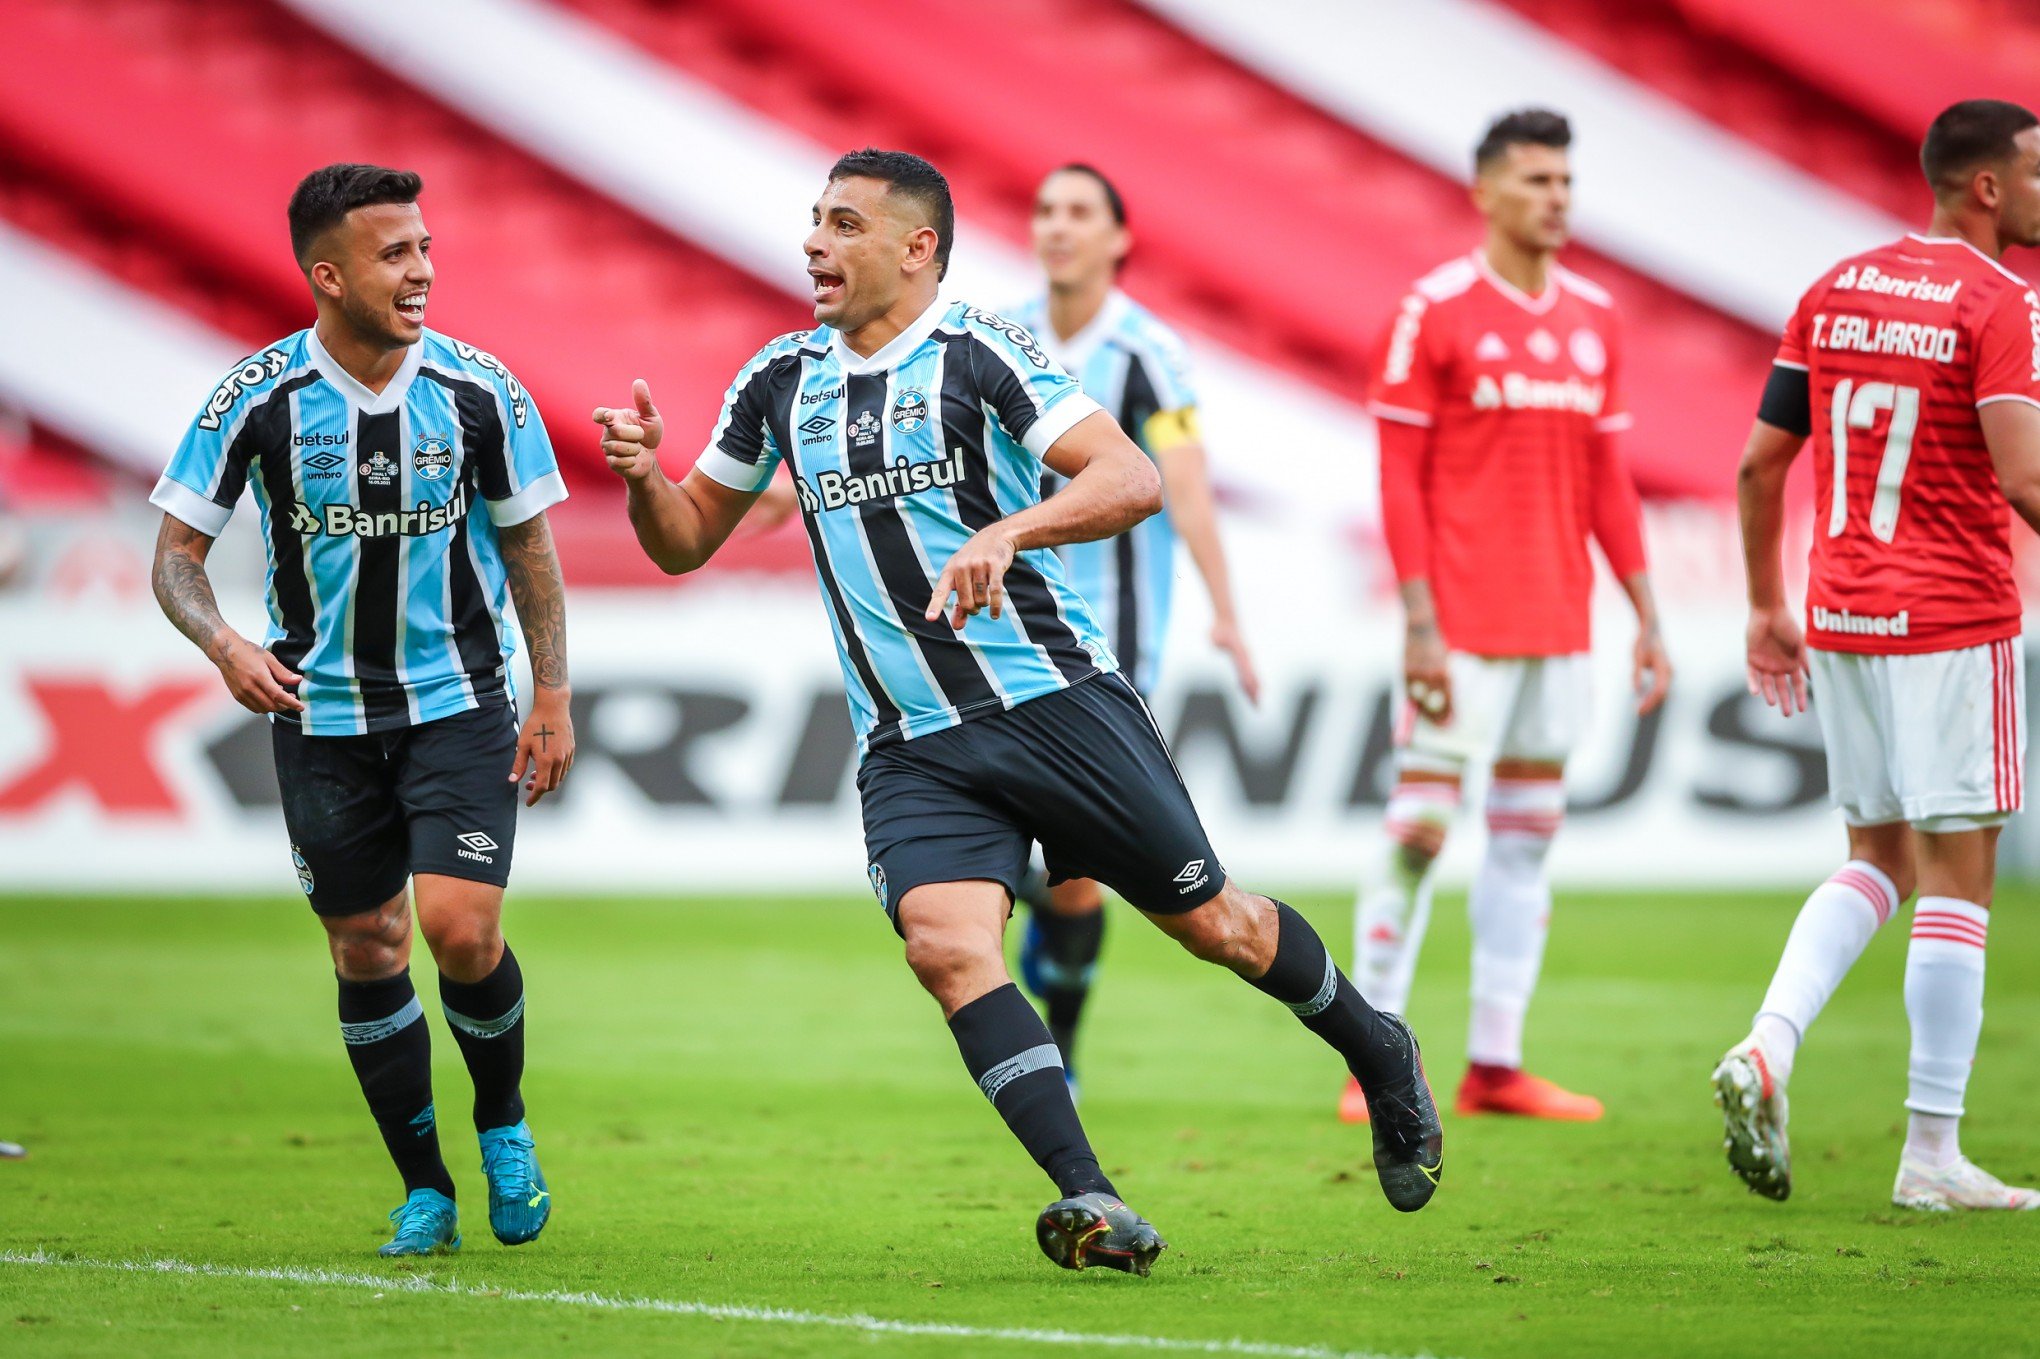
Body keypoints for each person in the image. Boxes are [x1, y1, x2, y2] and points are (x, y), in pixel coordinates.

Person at [596, 148, 1441, 1275]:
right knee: (947, 948)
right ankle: (1091, 1198)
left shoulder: (978, 353)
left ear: (916, 249)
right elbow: (687, 539)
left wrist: (1010, 531)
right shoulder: (778, 379)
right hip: (912, 742)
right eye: (813, 220)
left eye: (844, 223)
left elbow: (1130, 477)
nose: (814, 242)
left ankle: (1378, 1048)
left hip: (1052, 703)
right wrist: (648, 479)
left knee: (1215, 926)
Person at [150, 163, 575, 1255]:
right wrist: (224, 643)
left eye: (426, 247)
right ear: (326, 274)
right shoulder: (256, 400)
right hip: (320, 715)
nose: (423, 270)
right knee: (366, 946)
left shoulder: (482, 390)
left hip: (459, 704)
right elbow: (177, 559)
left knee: (458, 928)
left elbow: (529, 544)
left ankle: (504, 1123)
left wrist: (554, 692)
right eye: (397, 254)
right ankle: (425, 1187)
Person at [1714, 99, 2040, 1211]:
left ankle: (1769, 1041)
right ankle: (1932, 1155)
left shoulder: (1837, 288)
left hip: (1844, 611)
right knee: (1958, 878)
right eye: (2039, 171)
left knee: (1878, 858)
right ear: (1986, 187)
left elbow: (1764, 465)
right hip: (1953, 616)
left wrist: (1766, 607)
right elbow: (2026, 477)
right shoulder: (2001, 304)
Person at [1344, 109, 1669, 1125]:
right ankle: (1373, 1058)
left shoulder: (1596, 317)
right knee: (1423, 832)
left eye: (1564, 181)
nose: (1556, 198)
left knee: (1528, 839)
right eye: (1535, 181)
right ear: (1484, 192)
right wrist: (1419, 620)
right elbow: (1397, 477)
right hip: (1463, 623)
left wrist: (1647, 614)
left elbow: (1608, 479)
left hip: (1560, 624)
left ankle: (1496, 1063)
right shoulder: (1432, 309)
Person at [1003, 163, 1260, 1090]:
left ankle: (1058, 1047)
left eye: (1079, 212)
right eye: (1045, 210)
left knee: (1074, 874)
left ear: (1119, 238)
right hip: (996, 639)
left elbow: (1183, 481)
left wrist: (1226, 611)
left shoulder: (1150, 351)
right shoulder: (999, 335)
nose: (1057, 226)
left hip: (1106, 647)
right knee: (1032, 863)